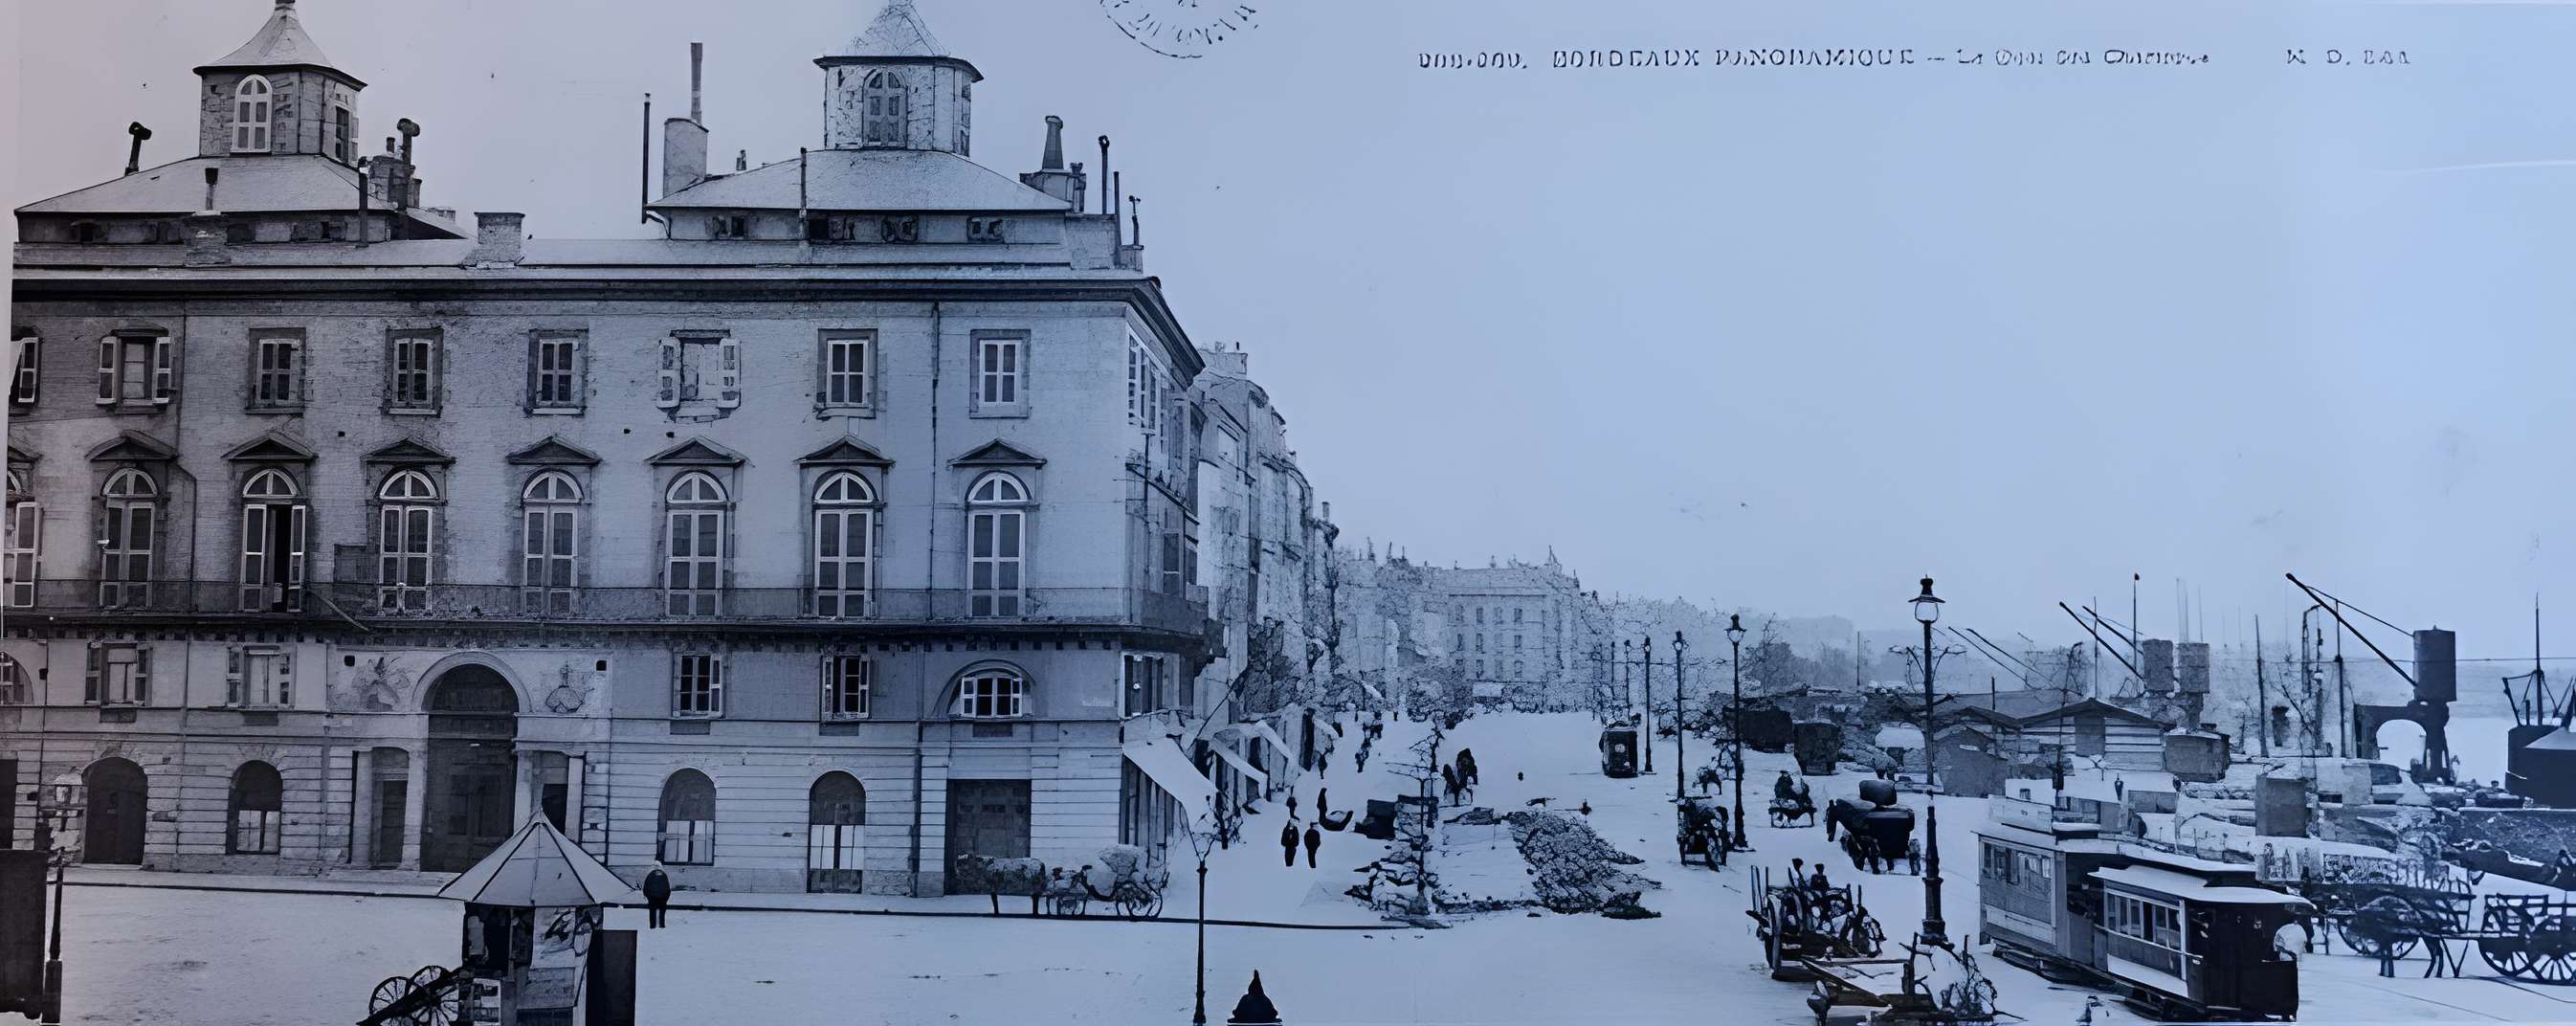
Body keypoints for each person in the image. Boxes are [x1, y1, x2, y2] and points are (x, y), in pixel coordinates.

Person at [642, 864, 672, 928]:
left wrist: (647, 896)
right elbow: (668, 887)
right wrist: (666, 898)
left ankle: (652, 926)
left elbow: (646, 886)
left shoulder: (650, 875)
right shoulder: (664, 875)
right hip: (662, 897)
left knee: (652, 912)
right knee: (662, 912)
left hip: (652, 897)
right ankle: (662, 925)